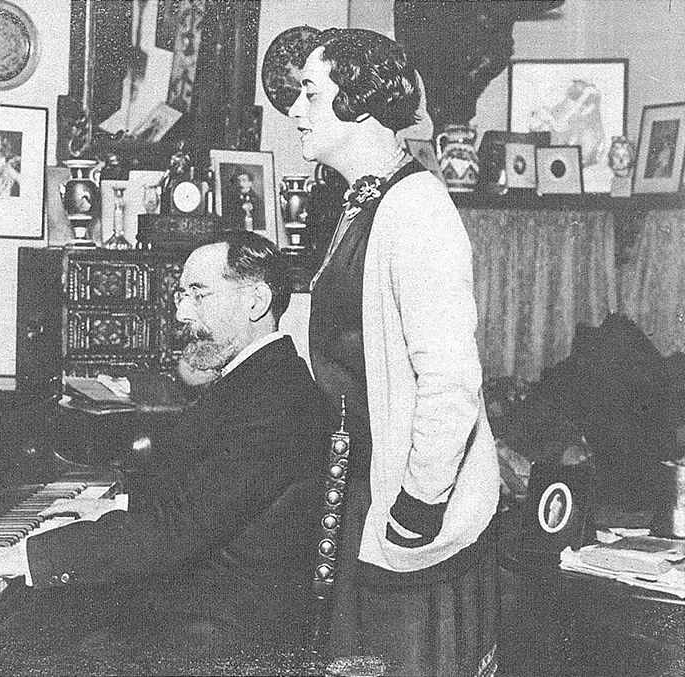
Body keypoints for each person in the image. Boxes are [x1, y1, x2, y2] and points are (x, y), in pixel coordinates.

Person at [0, 230, 328, 673]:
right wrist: (104, 507)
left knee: (19, 653)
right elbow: (194, 501)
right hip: (206, 603)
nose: (180, 312)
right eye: (180, 295)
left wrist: (26, 555)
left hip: (219, 633)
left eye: (198, 294)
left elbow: (178, 527)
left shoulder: (273, 400)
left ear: (256, 300)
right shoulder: (259, 382)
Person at [288, 28, 501, 677]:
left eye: (309, 93)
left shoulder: (416, 209)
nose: (295, 110)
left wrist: (418, 505)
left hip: (410, 506)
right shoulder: (361, 201)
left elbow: (451, 377)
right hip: (361, 491)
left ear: (359, 103)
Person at [228, 166, 265, 231]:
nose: (241, 184)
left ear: (250, 183)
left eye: (244, 180)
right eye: (238, 181)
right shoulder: (231, 199)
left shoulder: (257, 200)